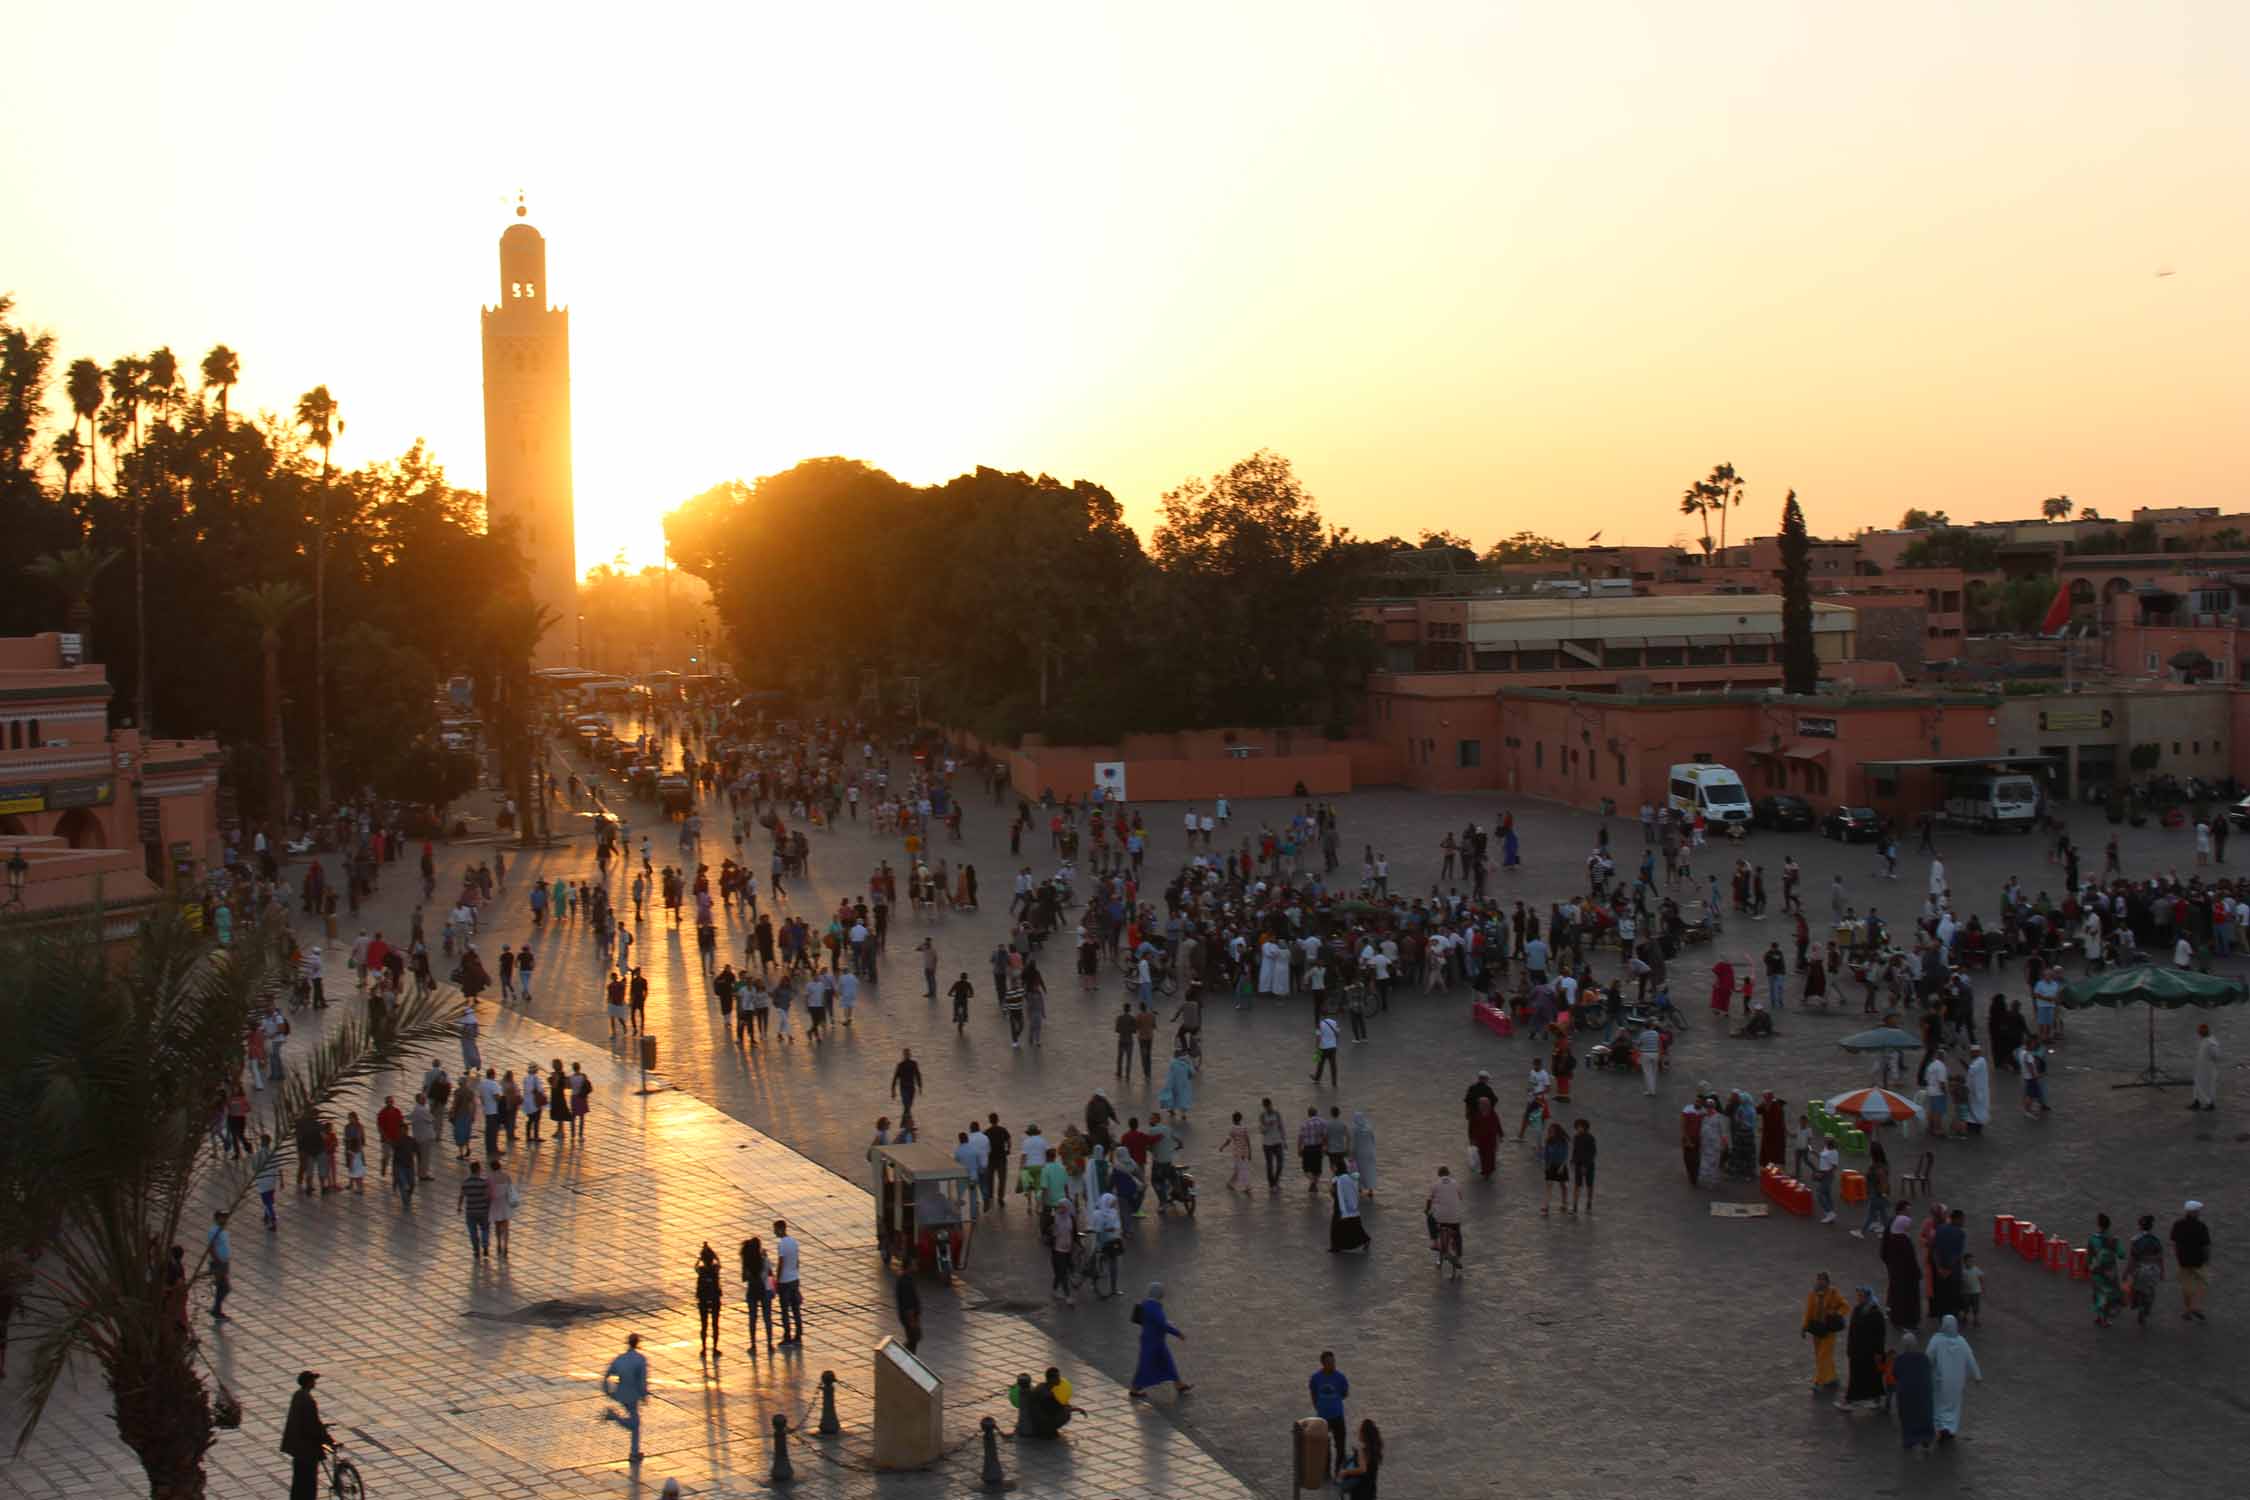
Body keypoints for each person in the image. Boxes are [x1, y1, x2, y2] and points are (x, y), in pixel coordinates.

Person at [1127, 1283, 1191, 1400]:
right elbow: (1162, 1324)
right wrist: (1178, 1333)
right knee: (1146, 1365)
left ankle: (1179, 1384)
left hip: (1152, 1340)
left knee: (1166, 1362)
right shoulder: (1155, 1307)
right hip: (1153, 1341)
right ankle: (1134, 1389)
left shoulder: (1146, 1303)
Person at [1925, 1314, 1982, 1442]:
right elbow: (1970, 1359)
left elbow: (1928, 1357)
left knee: (1939, 1404)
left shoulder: (1936, 1340)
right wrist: (1977, 1376)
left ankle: (1940, 1427)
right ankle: (1950, 1428)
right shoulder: (1962, 1342)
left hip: (1939, 1381)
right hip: (1957, 1382)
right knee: (1953, 1406)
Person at [600, 1334, 650, 1462]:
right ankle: (613, 1416)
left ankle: (634, 1452)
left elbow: (607, 1374)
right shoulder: (640, 1359)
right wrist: (644, 1395)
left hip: (621, 1393)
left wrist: (608, 1391)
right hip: (633, 1395)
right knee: (635, 1424)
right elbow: (642, 1380)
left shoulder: (620, 1359)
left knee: (635, 1423)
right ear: (637, 1343)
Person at [281, 1370, 330, 1500]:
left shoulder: (297, 1395)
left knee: (299, 1480)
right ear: (309, 1383)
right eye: (313, 1380)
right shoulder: (308, 1401)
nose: (315, 1382)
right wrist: (328, 1440)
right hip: (307, 1449)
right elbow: (313, 1425)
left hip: (297, 1447)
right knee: (309, 1482)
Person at [1840, 1286, 1888, 1411]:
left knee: (1873, 1376)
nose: (1858, 1298)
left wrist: (1878, 1352)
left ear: (1867, 1297)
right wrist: (1850, 1348)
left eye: (1861, 1296)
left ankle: (1874, 1400)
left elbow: (1880, 1335)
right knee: (1856, 1377)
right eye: (1858, 1296)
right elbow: (1852, 1331)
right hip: (1857, 1352)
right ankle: (1851, 1400)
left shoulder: (1876, 1313)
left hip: (1870, 1353)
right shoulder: (1857, 1310)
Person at [1802, 1271, 1849, 1391]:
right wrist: (1804, 1327)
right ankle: (1831, 1377)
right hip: (1817, 1330)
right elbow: (1808, 1311)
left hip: (1828, 1330)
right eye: (1818, 1280)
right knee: (1821, 1356)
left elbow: (1845, 1306)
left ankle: (1819, 1382)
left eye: (1822, 1280)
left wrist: (1837, 1313)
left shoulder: (1833, 1293)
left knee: (1823, 1356)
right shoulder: (1813, 1294)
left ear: (1827, 1282)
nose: (1820, 1282)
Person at [1309, 1351, 1350, 1474]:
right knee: (1324, 1447)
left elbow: (1345, 1393)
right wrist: (1318, 1406)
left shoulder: (1340, 1377)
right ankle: (1326, 1472)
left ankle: (1338, 1471)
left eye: (1333, 1362)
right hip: (1323, 1419)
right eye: (1329, 1363)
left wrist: (1334, 1402)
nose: (1332, 1365)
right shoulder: (1316, 1378)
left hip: (1337, 1416)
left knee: (1341, 1447)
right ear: (1323, 1364)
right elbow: (1313, 1392)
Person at [1891, 1331, 1933, 1451]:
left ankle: (1909, 1440)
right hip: (1923, 1392)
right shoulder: (1924, 1358)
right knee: (1924, 1415)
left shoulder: (1900, 1359)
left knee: (1907, 1416)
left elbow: (1895, 1373)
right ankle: (1926, 1438)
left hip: (1906, 1393)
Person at [2170, 1200, 2211, 1321]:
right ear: (2193, 1212)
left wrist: (2177, 1256)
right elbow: (2206, 1246)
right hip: (2198, 1260)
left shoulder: (2178, 1225)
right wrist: (2207, 1259)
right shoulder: (2201, 1226)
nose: (2199, 1213)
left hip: (2183, 1260)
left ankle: (2187, 1310)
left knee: (2186, 1287)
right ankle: (2196, 1308)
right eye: (2198, 1211)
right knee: (2202, 1284)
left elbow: (2175, 1243)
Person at [2126, 1214, 2166, 1327]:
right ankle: (2145, 1309)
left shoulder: (2135, 1240)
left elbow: (2132, 1259)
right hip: (2153, 1269)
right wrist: (2162, 1271)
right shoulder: (2156, 1240)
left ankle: (2139, 1307)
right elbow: (2160, 1257)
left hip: (2139, 1269)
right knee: (2150, 1292)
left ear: (2140, 1226)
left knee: (2137, 1290)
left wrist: (2127, 1272)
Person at [2087, 1212, 2125, 1327]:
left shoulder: (2093, 1239)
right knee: (2109, 1294)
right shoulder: (2114, 1239)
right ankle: (2105, 1318)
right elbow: (2122, 1254)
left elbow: (2089, 1256)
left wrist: (2088, 1266)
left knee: (2098, 1292)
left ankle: (2099, 1316)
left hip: (2096, 1270)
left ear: (2098, 1225)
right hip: (2110, 1272)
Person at [1427, 1166, 1464, 1274]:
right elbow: (1460, 1197)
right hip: (1454, 1217)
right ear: (1449, 1173)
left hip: (1440, 1217)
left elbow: (1429, 1200)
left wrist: (1427, 1210)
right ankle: (1458, 1255)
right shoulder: (1456, 1183)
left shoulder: (1435, 1184)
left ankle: (1434, 1242)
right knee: (1457, 1234)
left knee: (1430, 1217)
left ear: (1439, 1174)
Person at [773, 1219, 804, 1343]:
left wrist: (778, 1280)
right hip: (794, 1279)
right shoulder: (794, 1242)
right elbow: (797, 1261)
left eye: (775, 1229)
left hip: (785, 1281)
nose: (774, 1232)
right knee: (796, 1308)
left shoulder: (782, 1244)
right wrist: (795, 1273)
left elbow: (781, 1263)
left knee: (785, 1310)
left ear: (780, 1229)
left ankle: (787, 1336)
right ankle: (798, 1333)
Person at [1335, 1418, 1383, 1500]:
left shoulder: (1362, 1451)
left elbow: (1362, 1469)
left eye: (1359, 1430)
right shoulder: (1375, 1449)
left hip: (1360, 1489)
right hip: (1370, 1488)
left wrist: (1345, 1472)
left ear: (1364, 1434)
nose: (1358, 1432)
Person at [1329, 1165, 1370, 1253]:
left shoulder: (1340, 1179)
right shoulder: (1346, 1178)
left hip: (1341, 1206)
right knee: (1353, 1226)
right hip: (1348, 1208)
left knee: (1338, 1226)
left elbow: (1338, 1193)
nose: (1332, 1168)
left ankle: (1336, 1246)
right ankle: (1364, 1240)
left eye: (1334, 1167)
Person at [695, 1243, 725, 1354]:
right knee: (715, 1324)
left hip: (703, 1299)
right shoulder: (715, 1269)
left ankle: (703, 1348)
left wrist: (699, 1257)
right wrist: (713, 1253)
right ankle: (715, 1348)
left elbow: (695, 1266)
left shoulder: (701, 1270)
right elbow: (719, 1262)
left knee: (704, 1325)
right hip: (715, 1298)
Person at [1469, 1097, 1501, 1179]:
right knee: (1482, 1155)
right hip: (1481, 1140)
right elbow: (1472, 1127)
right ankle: (1484, 1171)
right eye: (1480, 1104)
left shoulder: (1492, 1114)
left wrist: (1500, 1135)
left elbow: (1497, 1125)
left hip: (1490, 1139)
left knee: (1490, 1156)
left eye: (1482, 1104)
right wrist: (1472, 1138)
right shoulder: (1476, 1115)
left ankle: (1488, 1172)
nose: (1480, 1106)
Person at [2191, 1023, 2221, 1110]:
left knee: (2208, 1087)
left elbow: (2216, 1056)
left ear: (2205, 1031)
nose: (2199, 1033)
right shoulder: (2204, 1040)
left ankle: (2210, 1104)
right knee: (2197, 1085)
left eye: (2200, 1031)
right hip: (2201, 1069)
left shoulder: (2211, 1042)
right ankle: (2197, 1102)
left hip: (2208, 1070)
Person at [1311, 1013, 1340, 1085]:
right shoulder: (1334, 1022)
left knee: (1320, 1064)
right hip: (1333, 1047)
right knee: (1333, 1065)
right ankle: (1334, 1081)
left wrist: (1316, 1048)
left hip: (1323, 1047)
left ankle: (1317, 1078)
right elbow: (1338, 1034)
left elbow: (1318, 1037)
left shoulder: (1319, 1024)